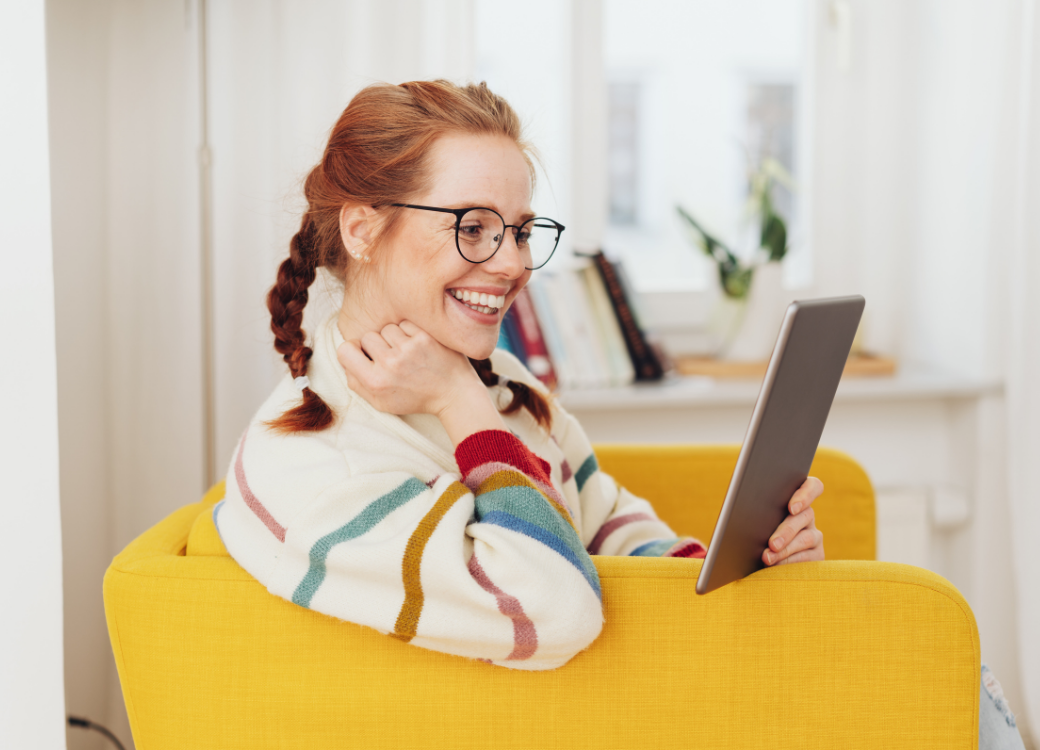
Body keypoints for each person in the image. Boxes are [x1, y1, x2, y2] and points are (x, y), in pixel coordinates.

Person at [213, 79, 1024, 746]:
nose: (514, 263)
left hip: (635, 700)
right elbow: (552, 606)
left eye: (524, 231)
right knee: (920, 668)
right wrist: (460, 406)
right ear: (361, 228)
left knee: (930, 660)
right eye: (474, 229)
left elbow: (606, 525)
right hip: (588, 723)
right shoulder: (312, 457)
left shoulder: (505, 389)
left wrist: (735, 562)